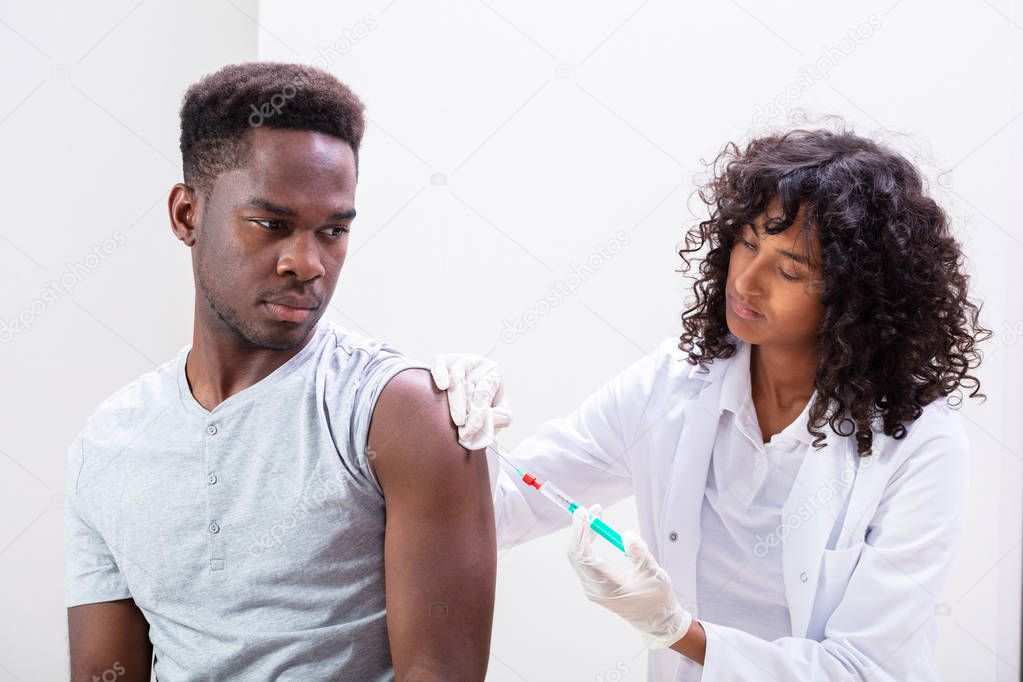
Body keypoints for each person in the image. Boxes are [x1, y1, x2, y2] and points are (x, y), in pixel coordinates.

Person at [434, 127, 990, 681]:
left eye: (789, 269)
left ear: (856, 297)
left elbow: (862, 671)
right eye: (748, 243)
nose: (746, 282)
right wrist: (451, 430)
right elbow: (508, 504)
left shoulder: (919, 444)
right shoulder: (675, 382)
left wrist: (676, 631)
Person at [64, 62, 495, 681]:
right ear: (187, 215)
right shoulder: (107, 444)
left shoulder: (402, 413)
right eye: (273, 225)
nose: (307, 263)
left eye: (334, 231)